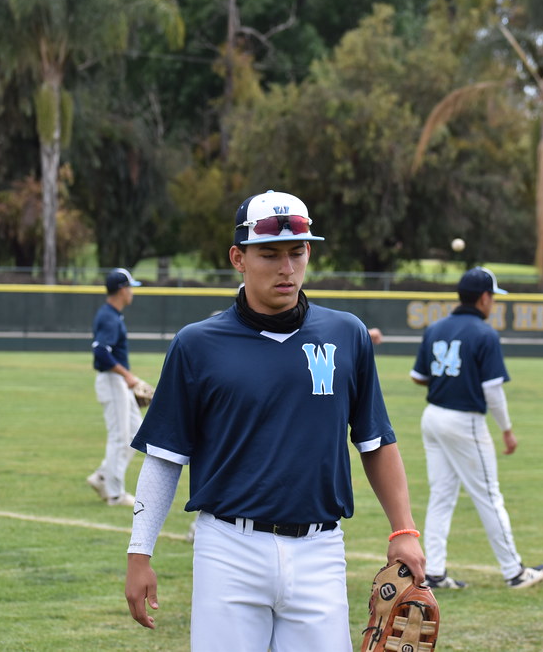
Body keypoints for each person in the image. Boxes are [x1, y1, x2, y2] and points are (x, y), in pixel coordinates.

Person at [124, 190, 425, 650]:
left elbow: (375, 441)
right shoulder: (196, 344)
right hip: (228, 548)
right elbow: (166, 457)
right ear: (238, 258)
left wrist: (404, 530)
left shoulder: (348, 334)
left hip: (320, 550)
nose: (286, 268)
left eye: (296, 252)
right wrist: (139, 554)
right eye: (269, 254)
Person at [410, 267, 543, 589]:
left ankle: (433, 573)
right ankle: (514, 571)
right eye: (493, 298)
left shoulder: (436, 328)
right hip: (464, 421)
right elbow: (492, 390)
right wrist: (507, 429)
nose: (493, 304)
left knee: (441, 496)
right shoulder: (485, 334)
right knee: (488, 494)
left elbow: (418, 377)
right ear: (484, 298)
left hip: (433, 417)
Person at [87, 267, 145, 507]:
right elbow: (100, 351)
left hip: (117, 381)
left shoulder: (112, 314)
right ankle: (115, 494)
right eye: (130, 287)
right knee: (120, 437)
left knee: (135, 433)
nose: (132, 292)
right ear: (122, 290)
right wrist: (128, 377)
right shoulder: (109, 316)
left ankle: (102, 476)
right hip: (112, 381)